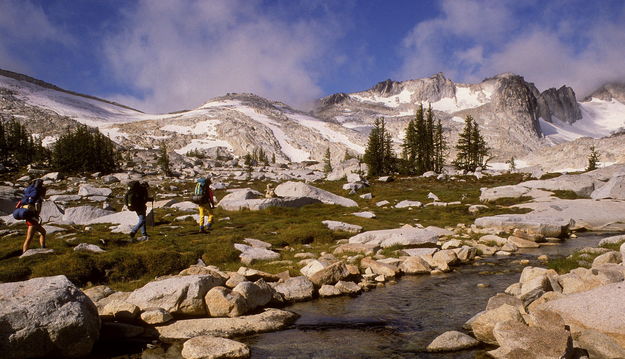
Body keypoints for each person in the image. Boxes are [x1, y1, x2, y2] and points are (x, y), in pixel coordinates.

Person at [16, 179, 47, 253]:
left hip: (31, 220)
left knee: (43, 232)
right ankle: (24, 252)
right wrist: (36, 216)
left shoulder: (30, 199)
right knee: (29, 237)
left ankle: (43, 247)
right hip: (32, 221)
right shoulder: (38, 200)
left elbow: (17, 206)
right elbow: (38, 210)